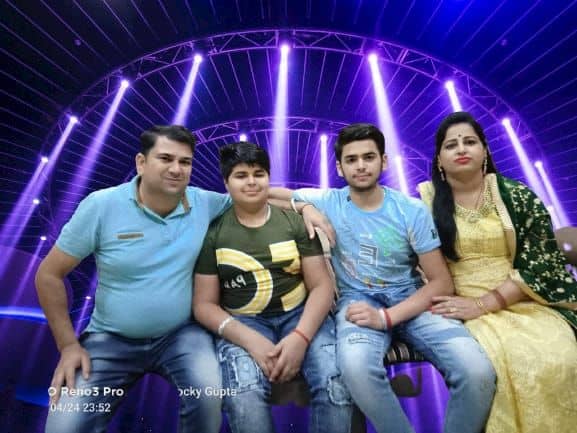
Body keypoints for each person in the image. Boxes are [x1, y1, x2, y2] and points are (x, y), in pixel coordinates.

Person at [270, 123, 496, 433]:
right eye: (351, 160)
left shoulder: (411, 210)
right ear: (339, 167)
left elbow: (441, 282)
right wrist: (306, 206)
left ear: (384, 161)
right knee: (356, 369)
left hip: (413, 300)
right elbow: (262, 193)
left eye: (369, 157)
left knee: (477, 372)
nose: (361, 166)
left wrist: (386, 318)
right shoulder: (330, 201)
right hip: (357, 302)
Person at [35, 125, 232, 433]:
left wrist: (302, 205)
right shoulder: (101, 205)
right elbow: (48, 275)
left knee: (208, 395)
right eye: (165, 158)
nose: (177, 169)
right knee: (63, 426)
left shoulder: (203, 202)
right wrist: (68, 345)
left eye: (185, 162)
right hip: (109, 338)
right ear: (141, 162)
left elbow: (255, 195)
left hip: (180, 335)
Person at [419, 111, 577, 433]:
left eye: (470, 141)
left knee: (559, 356)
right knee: (495, 364)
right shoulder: (423, 204)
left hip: (523, 300)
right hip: (456, 305)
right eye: (451, 145)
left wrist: (484, 304)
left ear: (485, 151)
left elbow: (541, 262)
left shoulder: (516, 196)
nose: (461, 149)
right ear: (439, 159)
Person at [193, 142, 352, 433]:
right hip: (242, 322)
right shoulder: (213, 233)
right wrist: (251, 341)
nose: (252, 182)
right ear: (226, 182)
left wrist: (300, 338)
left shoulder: (295, 223)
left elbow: (321, 286)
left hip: (301, 316)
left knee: (336, 385)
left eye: (259, 174)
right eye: (241, 175)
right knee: (244, 396)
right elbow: (203, 305)